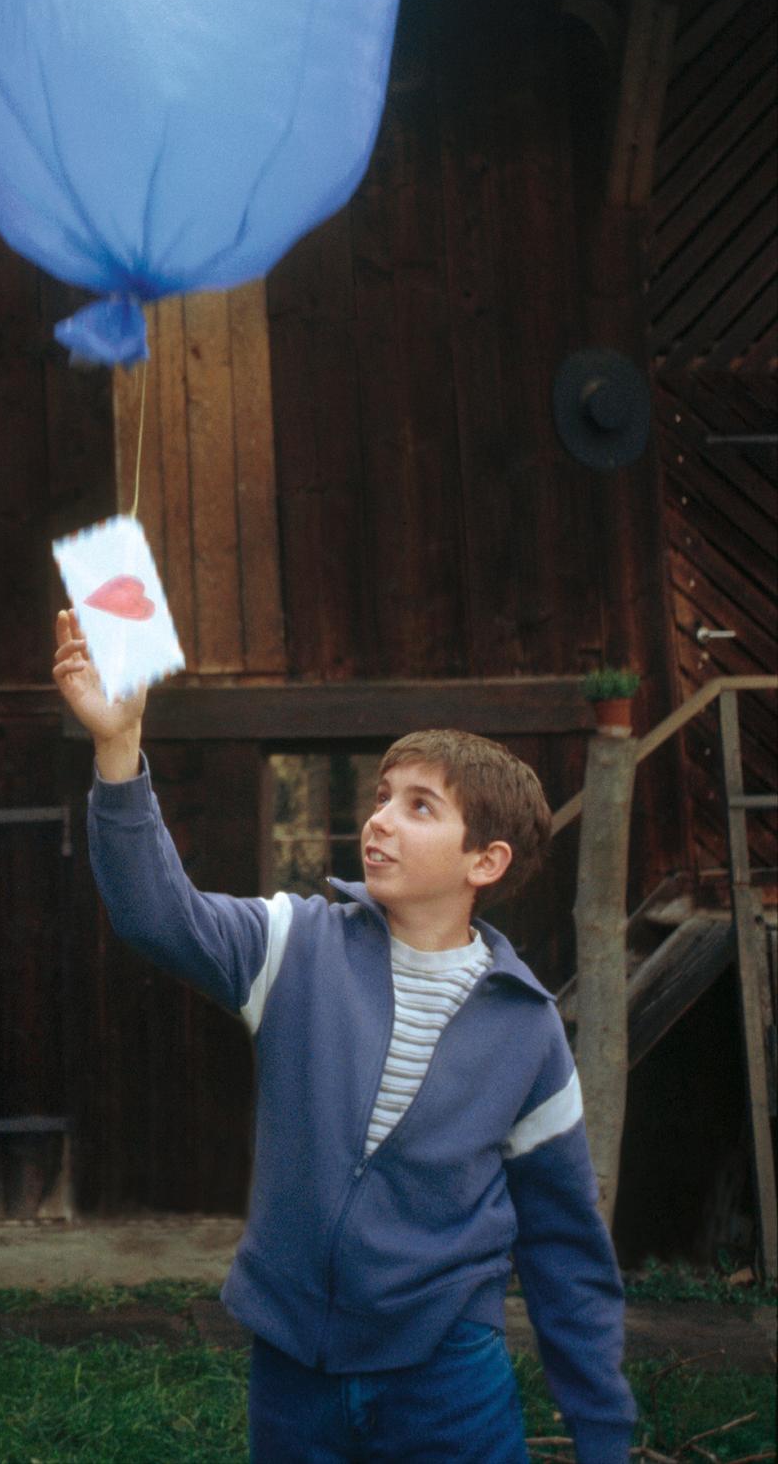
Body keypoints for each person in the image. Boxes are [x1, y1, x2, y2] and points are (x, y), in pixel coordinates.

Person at [54, 607, 636, 1464]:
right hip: (294, 1369)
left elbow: (564, 1244)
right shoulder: (296, 943)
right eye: (380, 798)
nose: (380, 821)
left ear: (486, 861)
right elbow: (155, 914)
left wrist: (603, 1434)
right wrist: (117, 749)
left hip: (448, 1376)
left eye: (419, 806)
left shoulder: (528, 1028)